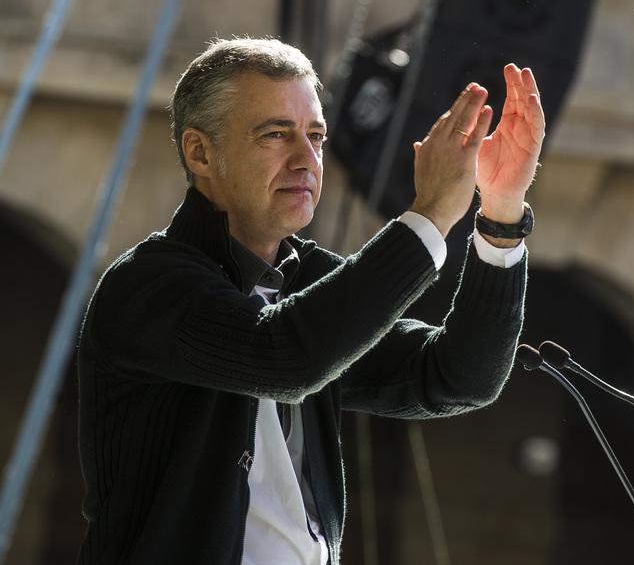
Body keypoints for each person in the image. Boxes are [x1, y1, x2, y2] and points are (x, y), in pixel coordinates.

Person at [75, 36, 542, 564]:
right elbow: (284, 358)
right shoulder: (148, 284)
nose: (306, 159)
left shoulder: (308, 279)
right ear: (200, 152)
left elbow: (458, 378)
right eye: (276, 134)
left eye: (316, 136)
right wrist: (429, 216)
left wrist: (501, 217)